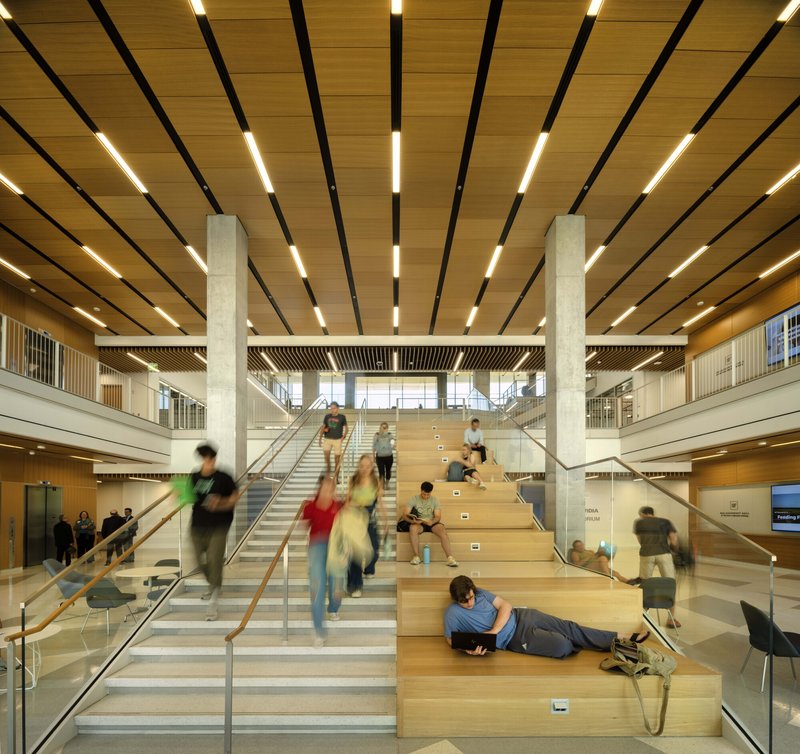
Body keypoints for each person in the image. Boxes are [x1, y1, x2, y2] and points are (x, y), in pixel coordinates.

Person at [444, 575, 650, 658]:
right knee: (563, 647)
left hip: (523, 616)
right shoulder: (453, 614)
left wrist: (493, 631)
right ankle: (597, 643)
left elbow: (505, 605)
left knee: (570, 627)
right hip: (515, 639)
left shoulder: (480, 593)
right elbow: (451, 640)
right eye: (464, 601)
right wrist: (469, 650)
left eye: (471, 597)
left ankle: (622, 638)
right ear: (456, 600)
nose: (469, 603)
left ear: (473, 591)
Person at [189, 442, 240, 621]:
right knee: (199, 560)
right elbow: (189, 497)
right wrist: (178, 496)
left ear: (215, 459)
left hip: (220, 524)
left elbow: (235, 497)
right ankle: (213, 583)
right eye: (205, 459)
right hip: (197, 524)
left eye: (211, 459)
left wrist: (220, 503)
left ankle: (214, 596)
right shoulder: (194, 476)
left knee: (214, 558)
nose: (209, 462)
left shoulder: (224, 477)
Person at [301, 474, 343, 647]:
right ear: (319, 489)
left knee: (337, 582)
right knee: (317, 587)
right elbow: (304, 525)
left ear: (334, 490)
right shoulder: (310, 506)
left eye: (330, 488)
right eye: (325, 487)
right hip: (317, 545)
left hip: (336, 545)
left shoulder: (339, 506)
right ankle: (319, 631)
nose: (327, 491)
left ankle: (333, 607)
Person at [345, 454, 387, 596]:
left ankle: (369, 568)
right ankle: (355, 585)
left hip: (370, 520)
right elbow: (347, 501)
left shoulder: (376, 482)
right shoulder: (353, 480)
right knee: (356, 553)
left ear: (372, 467)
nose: (364, 469)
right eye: (362, 466)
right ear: (359, 466)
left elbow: (380, 504)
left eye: (368, 466)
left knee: (374, 551)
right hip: (355, 519)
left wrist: (386, 521)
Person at [634, 506, 680, 628]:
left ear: (643, 514)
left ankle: (643, 616)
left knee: (645, 583)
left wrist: (647, 545)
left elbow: (639, 539)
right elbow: (673, 539)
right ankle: (671, 619)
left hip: (646, 554)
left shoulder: (639, 522)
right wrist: (673, 549)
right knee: (670, 583)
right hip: (664, 553)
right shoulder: (665, 521)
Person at [397, 482, 458, 567]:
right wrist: (413, 521)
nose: (426, 496)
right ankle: (416, 556)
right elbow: (404, 515)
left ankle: (450, 558)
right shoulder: (414, 499)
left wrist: (432, 522)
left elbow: (438, 517)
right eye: (424, 494)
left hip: (431, 523)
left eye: (428, 495)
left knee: (442, 530)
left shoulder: (435, 500)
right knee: (412, 528)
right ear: (421, 490)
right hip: (419, 524)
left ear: (431, 492)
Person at [319, 401, 348, 477]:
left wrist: (343, 437)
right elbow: (323, 427)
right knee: (327, 458)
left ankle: (336, 477)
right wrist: (320, 438)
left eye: (334, 408)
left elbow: (346, 428)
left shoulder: (342, 417)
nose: (332, 410)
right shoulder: (327, 416)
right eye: (331, 408)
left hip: (337, 440)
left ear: (337, 408)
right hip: (327, 439)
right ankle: (328, 474)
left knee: (337, 460)